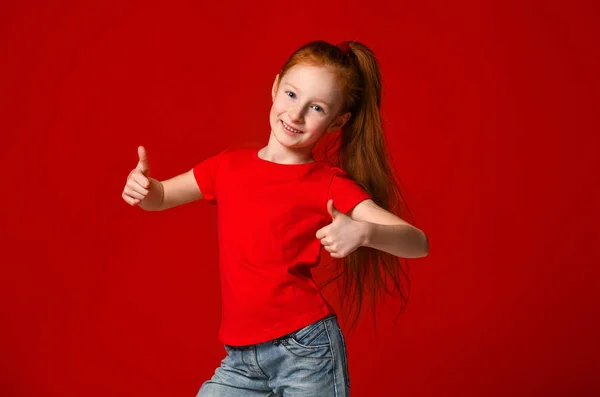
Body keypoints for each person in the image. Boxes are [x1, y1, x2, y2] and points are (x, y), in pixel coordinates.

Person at [122, 40, 429, 397]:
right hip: (241, 359)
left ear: (337, 121)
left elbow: (417, 242)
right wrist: (144, 190)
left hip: (305, 351)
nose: (296, 115)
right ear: (275, 85)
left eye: (316, 107)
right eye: (291, 94)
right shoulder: (227, 166)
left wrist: (364, 232)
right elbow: (161, 197)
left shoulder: (327, 183)